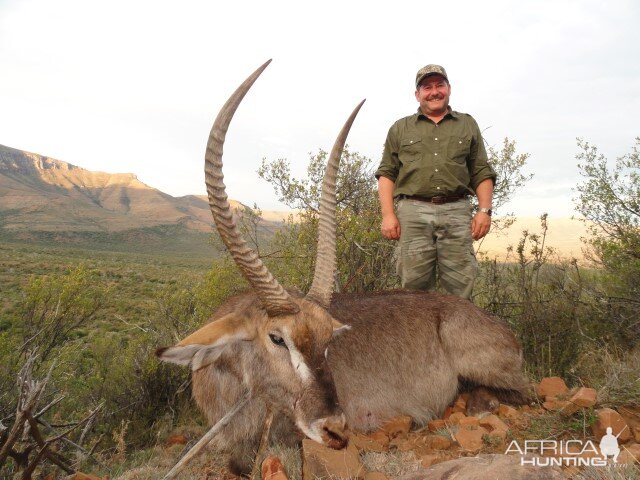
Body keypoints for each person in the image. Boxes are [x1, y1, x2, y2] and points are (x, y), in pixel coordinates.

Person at [375, 64, 496, 299]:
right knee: (413, 290)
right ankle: (417, 336)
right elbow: (387, 173)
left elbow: (481, 170)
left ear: (449, 88)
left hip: (456, 211)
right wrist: (388, 215)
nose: (434, 91)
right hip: (412, 212)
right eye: (427, 87)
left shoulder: (467, 124)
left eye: (439, 85)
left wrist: (484, 211)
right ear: (417, 94)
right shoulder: (400, 128)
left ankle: (458, 336)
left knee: (461, 287)